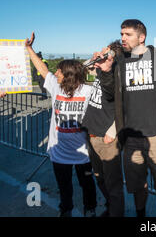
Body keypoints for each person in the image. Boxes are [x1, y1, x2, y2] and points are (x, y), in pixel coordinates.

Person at [96, 19, 156, 218]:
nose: (123, 38)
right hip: (130, 137)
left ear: (141, 37)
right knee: (138, 185)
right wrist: (105, 72)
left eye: (127, 34)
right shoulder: (121, 62)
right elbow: (111, 94)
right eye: (121, 34)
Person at [25, 32, 97, 217]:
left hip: (83, 153)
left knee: (87, 184)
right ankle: (66, 209)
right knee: (64, 186)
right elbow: (42, 69)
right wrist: (29, 48)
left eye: (59, 71)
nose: (55, 73)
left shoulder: (89, 90)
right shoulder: (56, 87)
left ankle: (90, 208)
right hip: (59, 152)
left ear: (68, 75)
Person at [82, 40, 125, 217]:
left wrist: (113, 131)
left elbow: (126, 105)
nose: (100, 53)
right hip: (92, 133)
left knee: (113, 184)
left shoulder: (118, 74)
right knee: (99, 178)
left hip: (107, 138)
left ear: (112, 56)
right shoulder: (102, 69)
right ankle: (110, 208)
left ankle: (116, 213)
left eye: (104, 51)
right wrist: (91, 60)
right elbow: (83, 70)